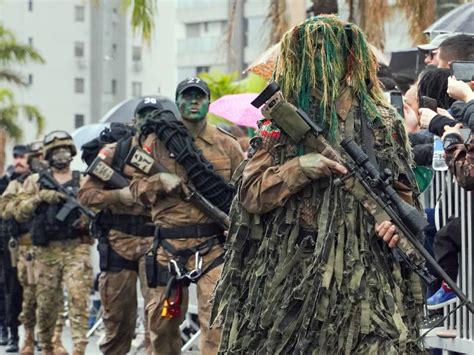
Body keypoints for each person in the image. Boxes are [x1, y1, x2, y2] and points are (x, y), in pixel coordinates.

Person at [212, 16, 424, 354]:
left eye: (329, 52)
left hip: (366, 277)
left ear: (348, 58)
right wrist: (299, 168)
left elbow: (402, 194)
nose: (321, 61)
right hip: (292, 276)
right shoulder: (280, 122)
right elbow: (250, 194)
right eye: (312, 53)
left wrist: (395, 226)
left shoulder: (382, 122)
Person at [130, 78, 244, 354]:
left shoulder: (226, 145)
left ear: (208, 102)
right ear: (178, 101)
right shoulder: (154, 144)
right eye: (187, 96)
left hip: (212, 245)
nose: (194, 102)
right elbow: (135, 189)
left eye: (200, 97)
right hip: (168, 247)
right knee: (162, 326)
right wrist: (159, 182)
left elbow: (244, 191)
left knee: (217, 323)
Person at [77, 99, 163, 354]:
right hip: (118, 242)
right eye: (144, 115)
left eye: (154, 115)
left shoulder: (171, 153)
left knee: (159, 323)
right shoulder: (116, 151)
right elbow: (85, 195)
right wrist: (119, 196)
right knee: (117, 323)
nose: (149, 120)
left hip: (156, 244)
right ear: (135, 120)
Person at [15, 131, 93, 355]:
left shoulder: (83, 180)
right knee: (47, 305)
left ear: (72, 153)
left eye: (65, 151)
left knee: (79, 300)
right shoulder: (35, 181)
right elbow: (18, 212)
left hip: (77, 247)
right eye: (56, 151)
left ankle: (79, 348)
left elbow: (97, 207)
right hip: (46, 251)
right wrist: (40, 197)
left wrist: (86, 217)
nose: (61, 155)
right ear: (48, 155)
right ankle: (47, 346)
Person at [2, 142, 67, 355]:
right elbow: (7, 210)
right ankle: (18, 335)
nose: (25, 160)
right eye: (19, 156)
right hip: (24, 248)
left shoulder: (53, 181)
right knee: (23, 295)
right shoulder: (17, 184)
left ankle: (50, 338)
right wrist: (36, 200)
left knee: (51, 296)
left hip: (49, 245)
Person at [0, 144, 28, 353]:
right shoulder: (7, 183)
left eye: (23, 157)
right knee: (10, 290)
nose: (19, 160)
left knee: (34, 293)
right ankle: (11, 334)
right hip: (10, 245)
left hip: (34, 244)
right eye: (16, 157)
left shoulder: (37, 181)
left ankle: (30, 335)